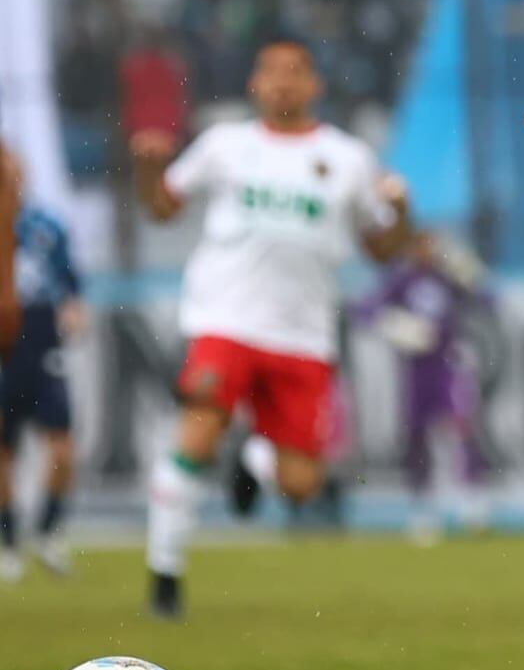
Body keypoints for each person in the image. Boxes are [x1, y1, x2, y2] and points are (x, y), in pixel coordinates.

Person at [130, 39, 412, 619]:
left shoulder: (347, 158)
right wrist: (148, 168)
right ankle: (165, 576)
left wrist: (402, 213)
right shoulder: (225, 145)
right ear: (255, 84)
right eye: (272, 72)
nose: (283, 82)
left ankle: (254, 459)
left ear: (316, 86)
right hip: (226, 318)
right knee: (198, 434)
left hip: (304, 333)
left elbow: (383, 247)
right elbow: (162, 208)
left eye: (296, 72)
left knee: (301, 484)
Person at [356, 233, 492, 544]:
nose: (424, 252)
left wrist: (472, 275)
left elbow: (488, 300)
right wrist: (393, 324)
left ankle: (473, 503)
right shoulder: (402, 281)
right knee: (417, 438)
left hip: (448, 364)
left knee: (460, 428)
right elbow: (364, 309)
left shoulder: (448, 278)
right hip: (416, 370)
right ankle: (424, 509)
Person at [0, 150, 84, 583]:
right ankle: (9, 540)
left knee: (63, 447)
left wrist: (73, 310)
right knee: (3, 453)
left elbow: (70, 283)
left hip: (40, 336)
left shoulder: (44, 225)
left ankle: (49, 529)